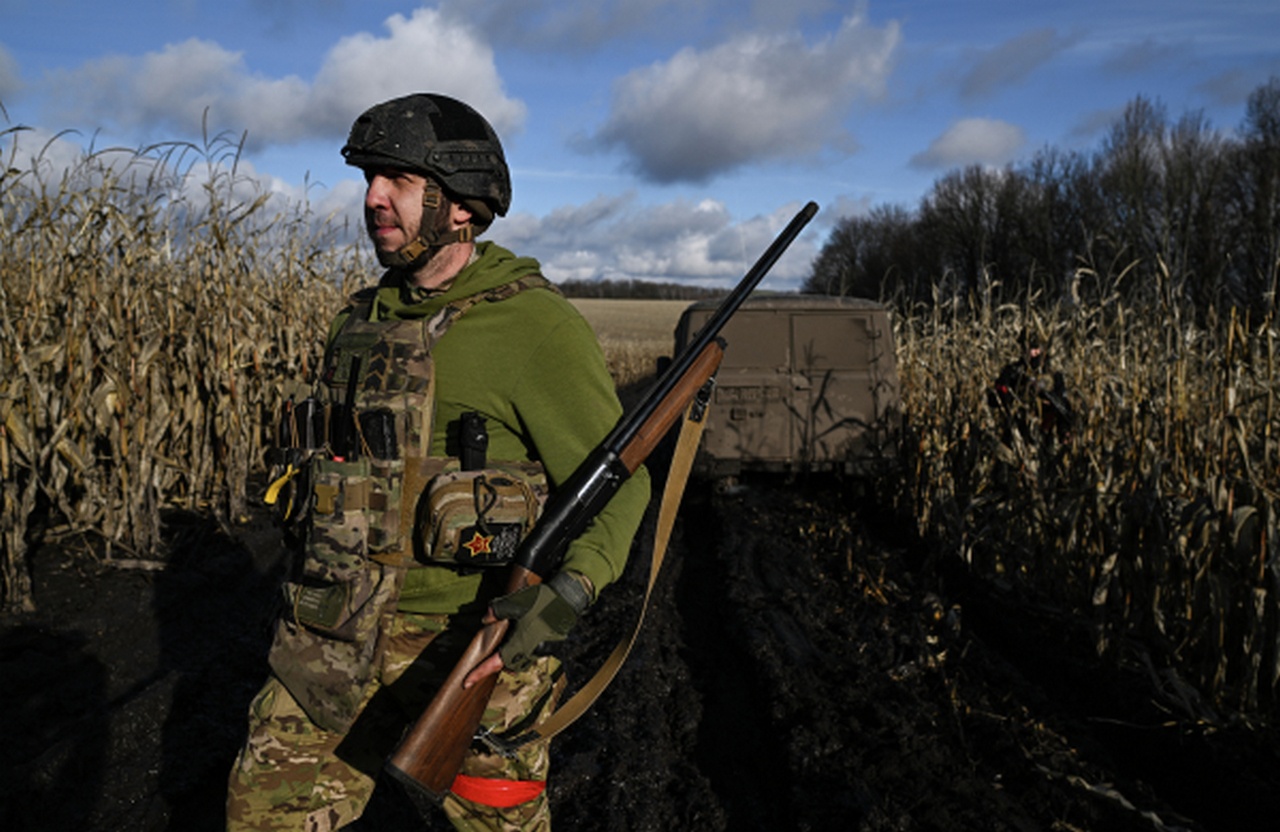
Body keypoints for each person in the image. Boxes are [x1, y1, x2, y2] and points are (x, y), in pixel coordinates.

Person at [226, 92, 651, 832]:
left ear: (462, 205)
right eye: (368, 178)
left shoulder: (535, 327)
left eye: (398, 179)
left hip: (465, 646)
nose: (373, 198)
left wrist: (566, 595)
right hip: (331, 633)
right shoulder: (357, 320)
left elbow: (619, 484)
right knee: (259, 815)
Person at [988, 328, 1075, 446]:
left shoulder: (1054, 375)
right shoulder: (1012, 371)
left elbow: (1063, 407)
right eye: (1031, 348)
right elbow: (993, 399)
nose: (1035, 352)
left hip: (1043, 438)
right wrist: (1010, 397)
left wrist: (1064, 431)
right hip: (1015, 434)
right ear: (1023, 349)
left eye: (1038, 348)